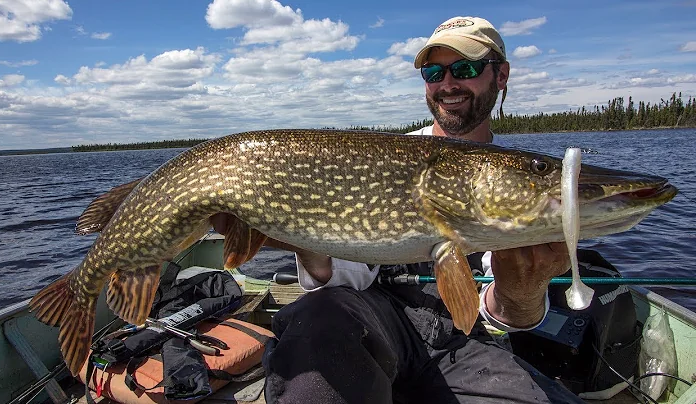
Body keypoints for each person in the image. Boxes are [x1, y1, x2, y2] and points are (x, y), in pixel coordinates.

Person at [216, 16, 584, 404]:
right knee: (319, 320)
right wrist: (306, 243)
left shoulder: (514, 179)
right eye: (433, 72)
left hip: (465, 343)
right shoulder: (384, 157)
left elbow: (503, 318)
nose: (447, 84)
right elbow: (345, 281)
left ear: (501, 75)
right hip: (376, 323)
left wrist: (521, 290)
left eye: (466, 68)